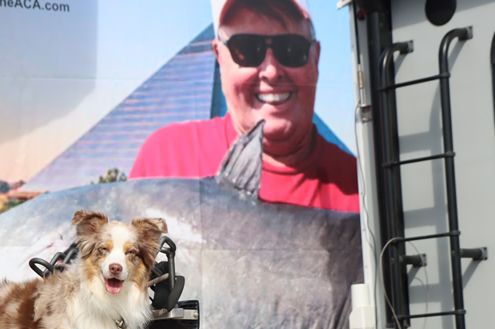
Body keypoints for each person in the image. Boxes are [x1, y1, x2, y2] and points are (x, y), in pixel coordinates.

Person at [129, 0, 358, 213]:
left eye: (291, 49)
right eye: (247, 49)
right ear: (219, 57)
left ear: (315, 58)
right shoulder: (162, 162)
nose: (271, 71)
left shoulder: (367, 193)